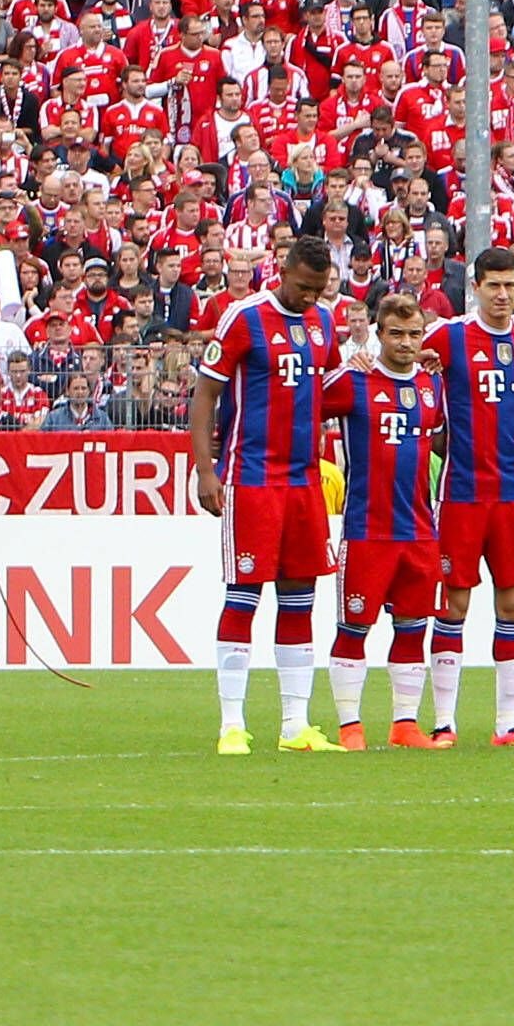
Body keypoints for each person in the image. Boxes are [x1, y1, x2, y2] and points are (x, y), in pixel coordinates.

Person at [196, 230, 346, 754]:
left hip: (305, 481)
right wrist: (206, 470)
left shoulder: (324, 323)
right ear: (282, 272)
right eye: (304, 287)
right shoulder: (244, 317)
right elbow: (206, 392)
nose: (310, 298)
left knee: (300, 598)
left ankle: (294, 726)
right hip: (252, 478)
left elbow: (329, 390)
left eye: (319, 289)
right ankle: (231, 724)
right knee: (243, 595)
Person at [425, 245, 514, 747]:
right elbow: (406, 357)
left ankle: (508, 725)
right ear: (474, 287)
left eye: (509, 285)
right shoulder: (450, 336)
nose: (502, 295)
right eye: (492, 285)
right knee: (454, 603)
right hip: (461, 490)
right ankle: (443, 723)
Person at [319, 290, 446, 749]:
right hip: (366, 526)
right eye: (396, 334)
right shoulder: (353, 382)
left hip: (418, 528)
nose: (407, 343)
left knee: (413, 626)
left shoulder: (432, 386)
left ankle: (405, 724)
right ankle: (350, 726)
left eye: (415, 334)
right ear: (379, 333)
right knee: (354, 627)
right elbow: (303, 408)